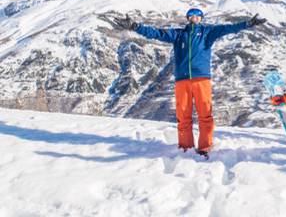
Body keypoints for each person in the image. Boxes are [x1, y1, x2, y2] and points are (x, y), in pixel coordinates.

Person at [111, 8, 266, 158]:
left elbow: (228, 28)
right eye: (191, 14)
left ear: (201, 18)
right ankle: (186, 148)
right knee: (183, 115)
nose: (194, 17)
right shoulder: (178, 34)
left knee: (205, 114)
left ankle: (205, 147)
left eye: (197, 14)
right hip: (182, 81)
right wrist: (134, 26)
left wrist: (248, 24)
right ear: (187, 18)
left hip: (202, 80)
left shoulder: (207, 33)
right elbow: (156, 33)